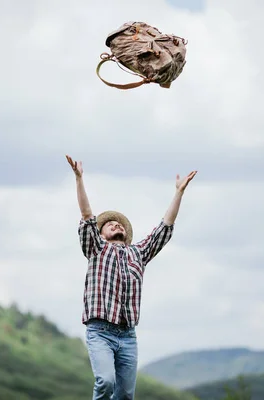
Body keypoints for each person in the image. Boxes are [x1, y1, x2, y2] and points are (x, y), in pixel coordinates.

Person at [65, 154, 197, 400]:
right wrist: (79, 179)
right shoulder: (96, 249)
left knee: (125, 395)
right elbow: (86, 216)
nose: (117, 224)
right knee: (105, 381)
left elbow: (164, 228)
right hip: (100, 331)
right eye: (110, 224)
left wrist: (178, 193)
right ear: (100, 233)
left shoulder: (138, 253)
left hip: (128, 335)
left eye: (120, 224)